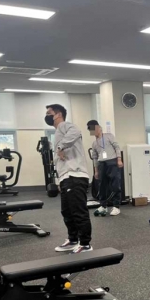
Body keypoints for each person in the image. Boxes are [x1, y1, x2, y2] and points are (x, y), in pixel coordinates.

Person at [45, 104, 93, 253]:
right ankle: (73, 240)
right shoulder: (58, 132)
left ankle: (85, 243)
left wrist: (60, 147)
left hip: (75, 175)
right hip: (67, 177)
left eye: (49, 113)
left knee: (78, 211)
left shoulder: (64, 125)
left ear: (58, 114)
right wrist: (61, 180)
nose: (47, 116)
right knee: (67, 212)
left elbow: (76, 132)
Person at [87, 120, 123, 217]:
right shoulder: (94, 143)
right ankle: (103, 206)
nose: (93, 132)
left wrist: (119, 159)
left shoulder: (109, 136)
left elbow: (117, 147)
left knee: (115, 185)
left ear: (99, 128)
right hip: (101, 164)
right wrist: (96, 171)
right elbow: (95, 157)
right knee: (102, 186)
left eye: (94, 129)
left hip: (112, 162)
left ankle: (116, 206)